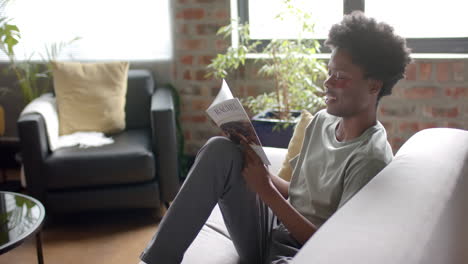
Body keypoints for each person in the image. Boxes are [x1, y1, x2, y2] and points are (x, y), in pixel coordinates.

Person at [139, 11, 412, 264]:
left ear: (374, 85)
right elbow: (297, 191)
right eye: (329, 72)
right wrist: (258, 166)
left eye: (339, 77)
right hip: (274, 228)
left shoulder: (370, 157)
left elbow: (334, 244)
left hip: (303, 253)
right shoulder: (321, 122)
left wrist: (265, 190)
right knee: (220, 150)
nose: (327, 82)